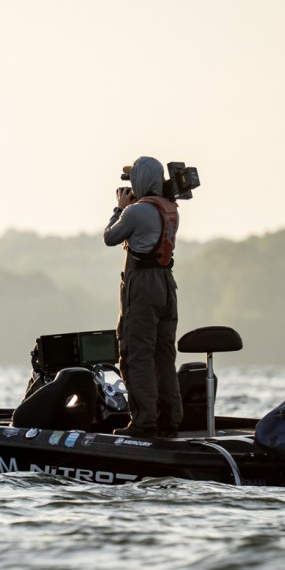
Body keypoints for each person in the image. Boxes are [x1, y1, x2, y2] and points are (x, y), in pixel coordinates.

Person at [103, 156, 183, 438]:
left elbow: (110, 237)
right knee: (163, 356)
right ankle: (169, 419)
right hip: (166, 284)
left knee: (136, 354)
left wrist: (119, 208)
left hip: (143, 287)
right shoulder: (170, 208)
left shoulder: (135, 212)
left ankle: (144, 422)